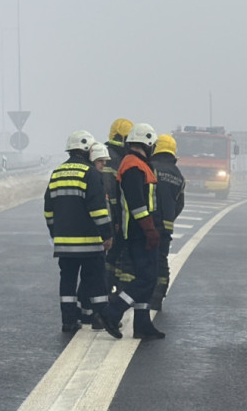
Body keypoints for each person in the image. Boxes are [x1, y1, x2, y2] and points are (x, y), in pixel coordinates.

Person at [95, 123, 165, 340]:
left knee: (148, 278)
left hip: (140, 231)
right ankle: (112, 312)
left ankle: (142, 324)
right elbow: (137, 204)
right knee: (145, 278)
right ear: (148, 144)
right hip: (139, 232)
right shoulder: (134, 166)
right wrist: (150, 230)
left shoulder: (137, 163)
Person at [44, 131, 113, 333]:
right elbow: (98, 209)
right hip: (90, 243)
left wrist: (54, 232)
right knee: (96, 280)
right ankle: (100, 319)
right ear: (86, 150)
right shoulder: (90, 173)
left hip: (64, 243)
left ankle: (68, 321)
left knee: (67, 282)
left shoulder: (57, 173)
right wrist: (107, 234)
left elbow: (48, 209)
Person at [149, 134, 185, 311]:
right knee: (162, 261)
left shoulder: (151, 167)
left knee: (143, 260)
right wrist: (169, 219)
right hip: (166, 227)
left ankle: (139, 296)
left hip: (148, 224)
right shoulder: (178, 175)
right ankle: (158, 297)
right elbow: (180, 203)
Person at [104, 118, 133, 292]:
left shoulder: (106, 155)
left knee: (107, 262)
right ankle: (108, 297)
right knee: (112, 260)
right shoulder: (118, 159)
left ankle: (102, 296)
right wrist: (115, 222)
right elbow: (113, 195)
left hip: (104, 218)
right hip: (113, 220)